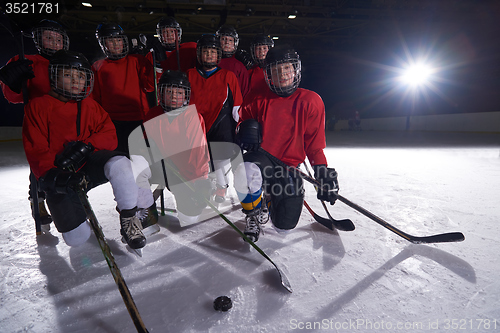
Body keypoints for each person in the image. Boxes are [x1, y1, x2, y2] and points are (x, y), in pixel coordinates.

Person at [22, 50, 157, 250]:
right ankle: (78, 219)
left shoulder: (90, 105)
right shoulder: (38, 106)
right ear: (54, 76)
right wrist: (53, 175)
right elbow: (36, 149)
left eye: (81, 76)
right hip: (60, 175)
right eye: (68, 75)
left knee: (122, 163)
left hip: (89, 165)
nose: (76, 81)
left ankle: (130, 218)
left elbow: (109, 134)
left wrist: (87, 146)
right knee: (77, 238)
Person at [234, 46, 339, 242]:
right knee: (245, 172)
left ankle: (270, 198)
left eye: (287, 69)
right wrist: (244, 133)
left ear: (295, 70)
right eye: (276, 70)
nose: (282, 74)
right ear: (268, 74)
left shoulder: (311, 101)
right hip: (262, 158)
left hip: (288, 167)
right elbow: (241, 126)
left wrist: (322, 171)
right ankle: (253, 214)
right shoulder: (255, 97)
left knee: (284, 227)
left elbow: (314, 144)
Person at [0, 19, 70, 227]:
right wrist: (12, 81)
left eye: (58, 38)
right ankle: (37, 201)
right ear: (39, 40)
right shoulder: (26, 60)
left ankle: (69, 198)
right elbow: (13, 97)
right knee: (39, 165)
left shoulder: (69, 63)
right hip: (38, 124)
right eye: (49, 37)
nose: (54, 42)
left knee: (68, 163)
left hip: (65, 124)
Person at [139, 70, 212, 225]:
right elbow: (144, 143)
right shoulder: (153, 114)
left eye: (178, 92)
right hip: (161, 166)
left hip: (184, 172)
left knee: (189, 218)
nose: (173, 96)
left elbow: (198, 153)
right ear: (161, 93)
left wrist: (200, 182)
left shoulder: (192, 117)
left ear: (185, 95)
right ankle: (147, 207)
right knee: (136, 169)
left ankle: (179, 195)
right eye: (169, 91)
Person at [186, 34, 243, 203]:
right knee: (200, 161)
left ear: (219, 55)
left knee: (219, 158)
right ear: (199, 55)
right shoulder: (189, 74)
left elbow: (237, 104)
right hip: (197, 125)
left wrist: (239, 127)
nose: (209, 55)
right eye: (205, 51)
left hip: (222, 122)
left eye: (213, 51)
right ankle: (204, 186)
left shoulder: (228, 75)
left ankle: (221, 186)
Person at [91, 22, 155, 155]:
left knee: (141, 161)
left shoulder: (137, 60)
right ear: (103, 44)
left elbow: (150, 86)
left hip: (138, 119)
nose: (115, 44)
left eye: (118, 39)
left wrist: (155, 60)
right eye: (110, 40)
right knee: (118, 161)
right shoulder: (97, 67)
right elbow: (94, 99)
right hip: (112, 123)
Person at [215, 25, 250, 99]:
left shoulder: (239, 66)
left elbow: (244, 92)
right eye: (223, 39)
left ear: (235, 43)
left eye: (230, 40)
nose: (227, 42)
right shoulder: (209, 62)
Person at [246, 34, 274, 99]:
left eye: (264, 48)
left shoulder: (275, 69)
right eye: (258, 48)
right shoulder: (250, 71)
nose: (261, 51)